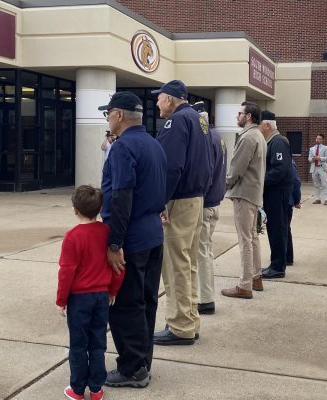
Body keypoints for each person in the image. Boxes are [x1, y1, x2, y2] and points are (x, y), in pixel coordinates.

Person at [98, 91, 167, 388]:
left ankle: (132, 368)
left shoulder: (123, 147)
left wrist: (115, 244)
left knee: (126, 305)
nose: (108, 119)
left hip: (133, 237)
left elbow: (121, 196)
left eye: (108, 114)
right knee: (146, 301)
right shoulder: (154, 143)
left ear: (119, 115)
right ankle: (142, 362)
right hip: (153, 233)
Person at [152, 80, 212, 346]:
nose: (156, 103)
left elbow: (171, 166)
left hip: (179, 200)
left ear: (169, 99)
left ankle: (179, 326)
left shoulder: (176, 122)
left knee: (175, 265)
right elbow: (208, 163)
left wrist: (160, 201)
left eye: (159, 98)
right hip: (196, 198)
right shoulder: (198, 120)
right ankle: (189, 320)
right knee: (188, 264)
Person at [56, 185, 125, 400]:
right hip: (102, 296)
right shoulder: (107, 233)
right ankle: (96, 388)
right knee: (97, 343)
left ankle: (77, 389)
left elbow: (67, 272)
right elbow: (119, 266)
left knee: (78, 344)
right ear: (100, 208)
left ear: (75, 209)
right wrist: (113, 289)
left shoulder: (72, 237)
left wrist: (61, 300)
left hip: (79, 298)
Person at [221, 101, 266, 299]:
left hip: (244, 194)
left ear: (248, 116)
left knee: (245, 240)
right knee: (252, 237)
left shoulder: (248, 137)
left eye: (239, 113)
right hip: (253, 193)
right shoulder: (259, 136)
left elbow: (237, 168)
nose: (237, 116)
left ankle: (245, 285)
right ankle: (256, 277)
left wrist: (225, 184)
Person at [192, 101, 227, 315]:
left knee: (201, 252)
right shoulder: (218, 136)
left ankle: (205, 299)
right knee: (206, 251)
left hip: (205, 204)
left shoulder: (205, 138)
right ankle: (205, 295)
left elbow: (204, 172)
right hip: (214, 202)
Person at [258, 111, 293, 280]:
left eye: (260, 125)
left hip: (277, 192)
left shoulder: (278, 142)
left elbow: (280, 169)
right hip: (274, 192)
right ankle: (278, 262)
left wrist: (260, 181)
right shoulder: (272, 141)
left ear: (267, 125)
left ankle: (278, 267)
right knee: (276, 228)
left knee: (278, 229)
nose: (259, 128)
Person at [286, 160, 302, 266]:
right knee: (285, 229)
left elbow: (296, 181)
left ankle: (287, 257)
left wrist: (297, 200)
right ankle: (286, 256)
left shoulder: (288, 162)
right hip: (287, 200)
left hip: (286, 201)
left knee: (284, 230)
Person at [308, 134, 327, 205]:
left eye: (319, 139)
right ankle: (318, 199)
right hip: (314, 168)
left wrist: (320, 158)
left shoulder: (325, 148)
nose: (317, 140)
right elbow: (309, 159)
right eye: (317, 138)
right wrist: (313, 159)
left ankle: (326, 199)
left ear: (323, 140)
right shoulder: (312, 149)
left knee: (324, 184)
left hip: (321, 167)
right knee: (316, 184)